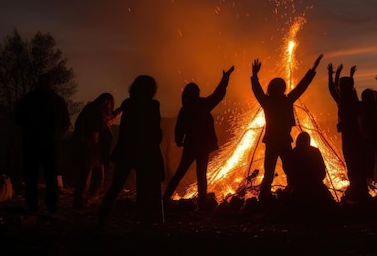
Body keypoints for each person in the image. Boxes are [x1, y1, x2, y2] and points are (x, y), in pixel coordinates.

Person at [251, 53, 323, 203]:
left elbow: (301, 87)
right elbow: (301, 87)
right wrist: (254, 77)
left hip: (276, 141)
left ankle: (276, 195)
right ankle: (287, 193)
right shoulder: (282, 100)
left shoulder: (271, 101)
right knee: (287, 168)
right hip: (281, 140)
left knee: (278, 169)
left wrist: (313, 70)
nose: (279, 89)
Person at [163, 66, 235, 210]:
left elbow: (179, 128)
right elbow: (218, 95)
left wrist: (179, 140)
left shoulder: (186, 108)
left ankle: (164, 200)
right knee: (201, 174)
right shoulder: (203, 105)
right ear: (194, 93)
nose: (199, 93)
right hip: (202, 145)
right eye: (197, 91)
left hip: (191, 145)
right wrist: (225, 78)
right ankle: (201, 204)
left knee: (181, 172)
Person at [98, 75, 165, 228]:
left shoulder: (128, 104)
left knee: (116, 186)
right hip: (144, 152)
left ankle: (102, 219)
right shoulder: (153, 105)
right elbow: (155, 130)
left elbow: (125, 130)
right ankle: (146, 221)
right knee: (144, 187)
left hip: (127, 150)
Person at [15, 72, 71, 213]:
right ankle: (32, 204)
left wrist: (57, 136)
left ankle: (50, 205)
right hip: (32, 143)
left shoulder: (58, 101)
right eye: (43, 81)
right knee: (32, 176)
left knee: (50, 176)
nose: (46, 84)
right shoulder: (28, 99)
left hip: (50, 144)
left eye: (48, 81)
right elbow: (18, 119)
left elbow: (66, 122)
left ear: (52, 84)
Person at [72, 93, 121, 209]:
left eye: (109, 102)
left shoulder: (103, 115)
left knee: (98, 175)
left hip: (98, 147)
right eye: (105, 101)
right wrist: (82, 140)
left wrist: (120, 110)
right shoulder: (92, 111)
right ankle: (80, 199)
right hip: (89, 145)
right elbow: (81, 125)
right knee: (86, 173)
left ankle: (91, 197)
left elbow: (110, 118)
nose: (107, 104)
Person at [327, 63, 366, 202]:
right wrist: (347, 75)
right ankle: (360, 188)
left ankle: (356, 189)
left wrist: (331, 75)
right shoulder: (353, 98)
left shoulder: (343, 100)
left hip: (349, 136)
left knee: (351, 161)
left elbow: (332, 89)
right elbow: (340, 88)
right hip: (357, 134)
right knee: (357, 162)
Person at [282, 131, 337, 217]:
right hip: (313, 186)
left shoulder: (293, 153)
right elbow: (322, 171)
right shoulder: (314, 152)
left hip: (299, 187)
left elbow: (287, 170)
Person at [359, 89, 377, 184]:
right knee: (370, 161)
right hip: (370, 138)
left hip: (376, 138)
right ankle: (370, 180)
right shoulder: (365, 108)